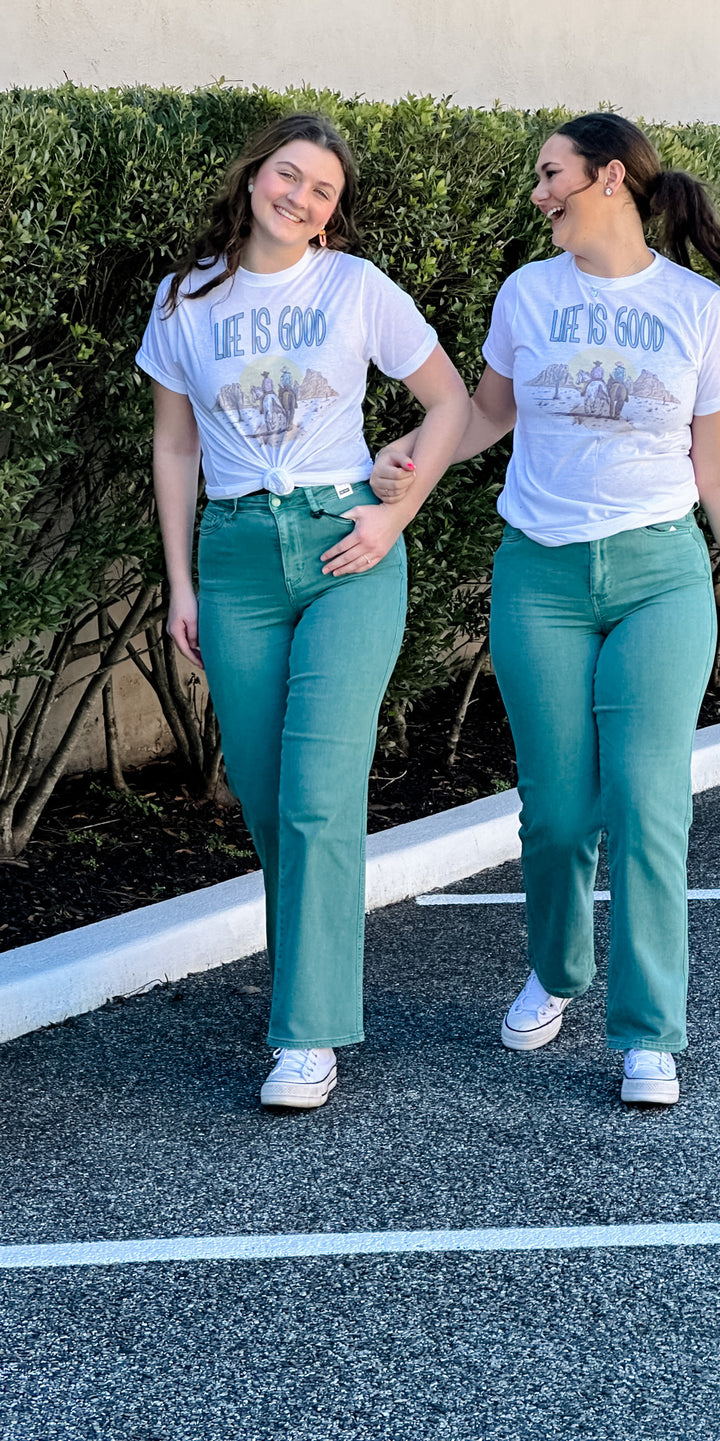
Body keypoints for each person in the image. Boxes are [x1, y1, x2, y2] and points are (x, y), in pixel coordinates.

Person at [374, 112, 720, 1105]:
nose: (537, 193)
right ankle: (558, 970)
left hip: (659, 579)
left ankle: (648, 1029)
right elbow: (488, 412)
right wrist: (412, 456)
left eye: (550, 174)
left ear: (607, 179)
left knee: (646, 803)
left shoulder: (697, 310)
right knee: (557, 814)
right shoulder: (529, 292)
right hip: (541, 580)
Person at [136, 113, 470, 1110]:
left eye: (323, 189)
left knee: (320, 793)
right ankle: (303, 995)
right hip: (236, 556)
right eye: (290, 175)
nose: (301, 197)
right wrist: (181, 582)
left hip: (344, 547)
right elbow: (175, 447)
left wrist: (394, 511)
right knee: (267, 796)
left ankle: (306, 1035)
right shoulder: (186, 298)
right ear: (254, 178)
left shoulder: (355, 288)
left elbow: (450, 402)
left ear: (332, 213)